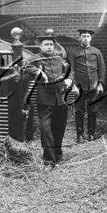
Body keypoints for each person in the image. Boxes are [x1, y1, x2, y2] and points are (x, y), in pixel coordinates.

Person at [24, 33, 72, 168]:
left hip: (61, 100)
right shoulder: (35, 58)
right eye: (46, 44)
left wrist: (69, 79)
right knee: (46, 129)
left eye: (51, 44)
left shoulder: (58, 58)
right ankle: (49, 160)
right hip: (45, 101)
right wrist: (38, 72)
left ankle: (58, 156)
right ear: (40, 46)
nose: (49, 47)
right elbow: (25, 65)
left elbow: (69, 69)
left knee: (59, 129)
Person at [67, 29, 105, 143]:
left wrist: (100, 83)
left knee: (92, 111)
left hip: (93, 86)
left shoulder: (96, 52)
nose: (86, 38)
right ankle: (80, 136)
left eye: (88, 36)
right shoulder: (73, 52)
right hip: (79, 86)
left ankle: (91, 134)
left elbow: (102, 68)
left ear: (91, 38)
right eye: (84, 36)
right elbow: (70, 69)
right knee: (79, 111)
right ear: (80, 38)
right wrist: (73, 85)